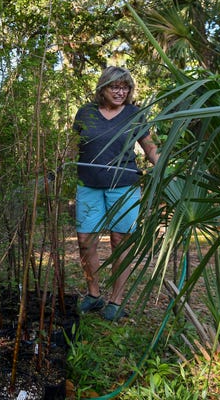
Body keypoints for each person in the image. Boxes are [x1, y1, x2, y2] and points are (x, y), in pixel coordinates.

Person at [72, 66, 159, 321]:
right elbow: (73, 146)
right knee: (85, 241)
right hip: (88, 185)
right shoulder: (85, 112)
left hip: (124, 186)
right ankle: (94, 294)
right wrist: (55, 168)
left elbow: (150, 149)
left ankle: (116, 299)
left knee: (120, 242)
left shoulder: (135, 114)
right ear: (103, 88)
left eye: (125, 87)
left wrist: (168, 168)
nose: (121, 92)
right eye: (115, 87)